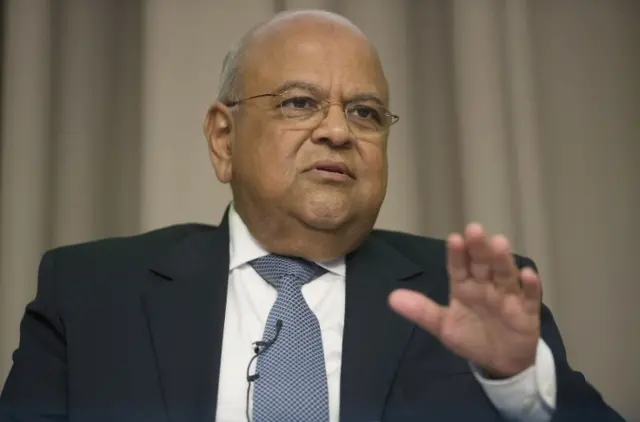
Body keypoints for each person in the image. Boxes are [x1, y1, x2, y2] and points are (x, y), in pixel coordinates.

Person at [0, 9, 624, 422]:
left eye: (365, 114)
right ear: (224, 138)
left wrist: (518, 382)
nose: (336, 131)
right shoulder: (90, 294)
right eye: (300, 103)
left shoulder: (470, 299)